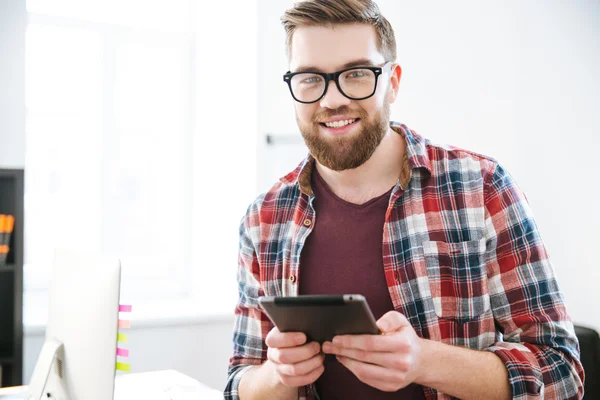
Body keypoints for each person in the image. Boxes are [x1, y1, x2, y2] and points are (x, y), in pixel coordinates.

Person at [224, 1, 585, 399]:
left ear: (392, 81)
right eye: (310, 78)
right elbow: (239, 382)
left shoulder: (481, 188)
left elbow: (562, 375)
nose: (330, 100)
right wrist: (279, 374)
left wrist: (424, 362)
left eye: (357, 74)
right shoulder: (263, 220)